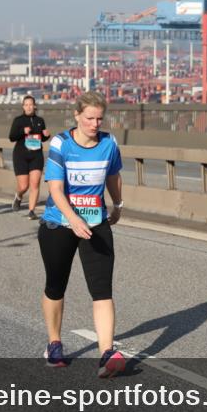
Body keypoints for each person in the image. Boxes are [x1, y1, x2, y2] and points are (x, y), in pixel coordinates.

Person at [38, 91, 125, 378]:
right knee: (56, 285)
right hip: (59, 223)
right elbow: (55, 190)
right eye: (89, 118)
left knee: (102, 289)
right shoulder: (61, 143)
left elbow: (113, 175)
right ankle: (54, 342)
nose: (95, 124)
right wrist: (73, 219)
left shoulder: (109, 143)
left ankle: (107, 353)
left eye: (99, 118)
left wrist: (118, 204)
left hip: (96, 222)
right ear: (77, 116)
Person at [8, 95, 51, 220]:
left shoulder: (40, 120)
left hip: (36, 155)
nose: (28, 107)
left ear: (35, 106)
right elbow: (11, 137)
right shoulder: (18, 120)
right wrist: (22, 131)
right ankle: (19, 196)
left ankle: (31, 211)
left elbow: (41, 138)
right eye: (26, 105)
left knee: (35, 183)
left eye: (30, 104)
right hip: (21, 155)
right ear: (23, 107)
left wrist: (46, 136)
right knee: (23, 186)